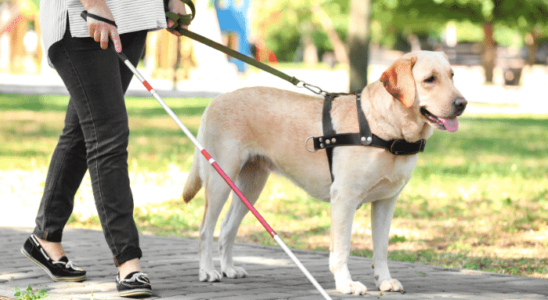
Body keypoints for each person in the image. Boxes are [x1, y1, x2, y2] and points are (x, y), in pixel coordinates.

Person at [21, 0, 189, 297]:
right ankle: (128, 262)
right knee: (108, 135)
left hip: (135, 15)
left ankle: (45, 236)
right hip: (84, 17)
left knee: (84, 132)